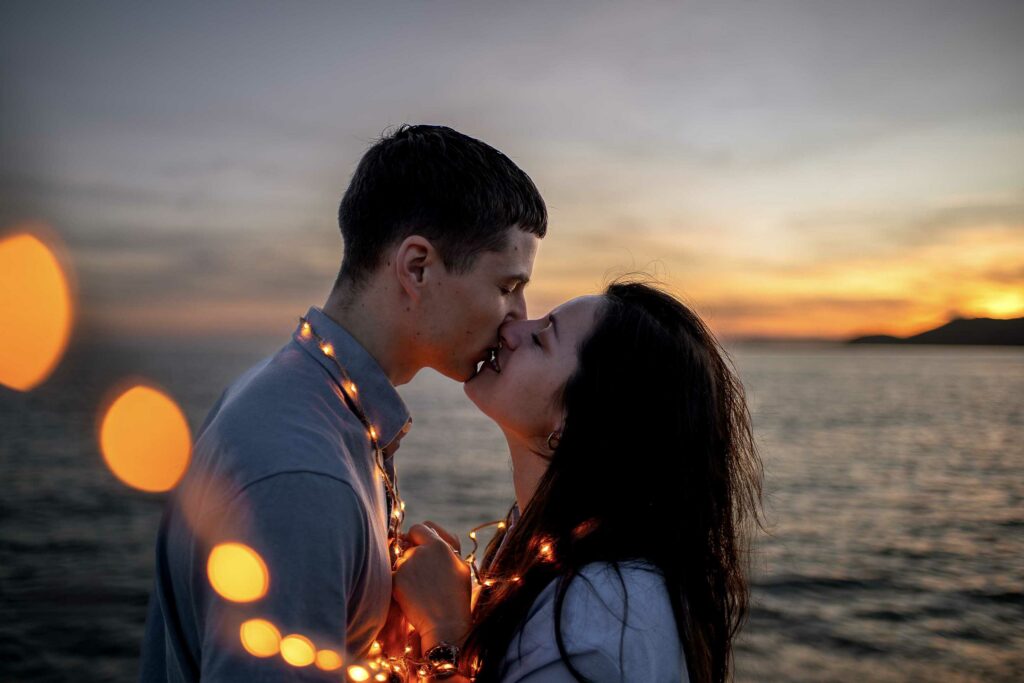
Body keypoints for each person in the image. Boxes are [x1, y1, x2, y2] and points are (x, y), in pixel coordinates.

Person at [139, 124, 547, 681]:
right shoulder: (302, 473)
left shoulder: (304, 399)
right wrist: (444, 644)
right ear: (417, 267)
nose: (519, 315)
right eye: (507, 286)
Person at [392, 281, 763, 683]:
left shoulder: (599, 611)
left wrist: (443, 633)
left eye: (542, 338)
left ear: (580, 420)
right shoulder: (560, 560)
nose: (511, 328)